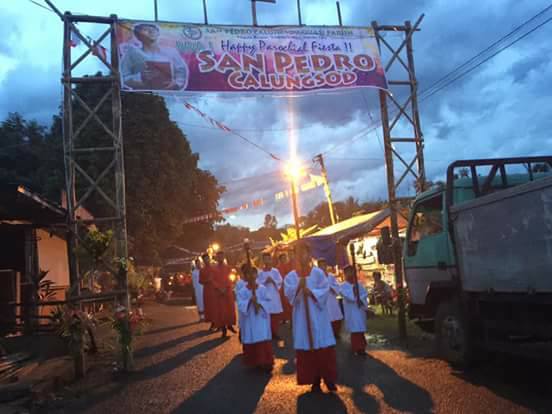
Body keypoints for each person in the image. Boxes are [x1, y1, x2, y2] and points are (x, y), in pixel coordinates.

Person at [284, 241, 338, 393]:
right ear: (294, 256)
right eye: (298, 253)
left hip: (318, 315)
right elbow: (288, 294)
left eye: (304, 252)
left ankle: (329, 379)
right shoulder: (291, 276)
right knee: (308, 347)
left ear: (309, 254)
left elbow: (325, 289)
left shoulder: (318, 273)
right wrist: (298, 287)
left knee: (323, 346)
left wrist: (312, 292)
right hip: (302, 316)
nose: (302, 256)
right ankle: (314, 379)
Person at [120, 23, 189, 91]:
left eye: (153, 29)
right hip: (142, 96)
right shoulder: (132, 53)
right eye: (145, 29)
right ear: (138, 36)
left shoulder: (172, 52)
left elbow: (181, 71)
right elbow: (123, 76)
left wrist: (176, 84)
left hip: (169, 96)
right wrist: (140, 77)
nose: (151, 31)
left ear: (158, 33)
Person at [237, 263, 274, 372]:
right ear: (244, 276)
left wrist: (260, 303)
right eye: (248, 274)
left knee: (262, 338)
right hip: (250, 319)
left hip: (261, 318)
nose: (251, 276)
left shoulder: (262, 288)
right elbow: (240, 304)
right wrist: (249, 301)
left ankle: (265, 361)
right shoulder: (242, 291)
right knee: (252, 337)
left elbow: (269, 301)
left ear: (256, 275)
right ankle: (255, 362)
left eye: (253, 273)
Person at [341, 265, 369, 356]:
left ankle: (362, 347)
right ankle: (357, 348)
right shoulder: (343, 286)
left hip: (359, 309)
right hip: (351, 310)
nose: (350, 274)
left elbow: (365, 293)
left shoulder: (359, 283)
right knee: (355, 329)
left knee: (360, 329)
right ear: (345, 274)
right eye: (348, 272)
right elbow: (349, 297)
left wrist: (360, 299)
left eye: (352, 271)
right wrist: (356, 297)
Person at [257, 252, 283, 340]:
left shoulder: (275, 271)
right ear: (263, 260)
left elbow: (280, 281)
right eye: (265, 259)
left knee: (275, 315)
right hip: (265, 295)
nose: (267, 261)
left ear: (271, 260)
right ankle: (268, 332)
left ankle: (275, 332)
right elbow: (257, 283)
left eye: (269, 259)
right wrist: (264, 281)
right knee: (267, 314)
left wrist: (273, 281)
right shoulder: (260, 272)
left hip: (274, 295)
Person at [211, 250, 237, 338]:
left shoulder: (228, 267)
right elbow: (212, 280)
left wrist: (226, 287)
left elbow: (231, 278)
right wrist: (219, 288)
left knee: (229, 309)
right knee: (221, 311)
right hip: (218, 293)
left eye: (222, 256)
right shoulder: (213, 268)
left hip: (227, 291)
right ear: (216, 258)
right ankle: (223, 328)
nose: (220, 258)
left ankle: (230, 325)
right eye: (219, 257)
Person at [317, 258, 343, 340]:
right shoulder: (317, 277)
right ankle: (327, 333)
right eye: (321, 266)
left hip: (332, 298)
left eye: (324, 265)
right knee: (326, 317)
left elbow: (337, 286)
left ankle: (336, 333)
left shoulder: (331, 276)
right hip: (323, 300)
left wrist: (332, 288)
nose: (323, 267)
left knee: (335, 315)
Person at [199, 252, 216, 331]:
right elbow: (200, 281)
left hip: (215, 289)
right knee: (209, 307)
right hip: (207, 291)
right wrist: (207, 280)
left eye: (207, 258)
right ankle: (213, 323)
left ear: (209, 259)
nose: (206, 260)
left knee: (216, 307)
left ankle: (218, 323)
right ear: (203, 260)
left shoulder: (214, 268)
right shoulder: (202, 270)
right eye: (205, 259)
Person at [276, 252, 293, 323]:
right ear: (280, 259)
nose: (284, 260)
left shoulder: (289, 266)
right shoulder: (277, 268)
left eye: (285, 258)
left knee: (288, 302)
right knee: (282, 303)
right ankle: (282, 318)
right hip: (281, 288)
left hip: (288, 286)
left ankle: (289, 317)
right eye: (282, 258)